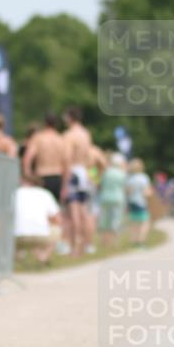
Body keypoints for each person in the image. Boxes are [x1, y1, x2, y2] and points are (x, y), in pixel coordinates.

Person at [61, 107, 94, 256]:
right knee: (84, 212)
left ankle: (75, 247)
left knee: (73, 212)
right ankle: (87, 245)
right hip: (84, 172)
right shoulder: (86, 134)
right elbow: (88, 157)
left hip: (73, 171)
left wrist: (65, 178)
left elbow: (67, 157)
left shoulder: (69, 135)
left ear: (69, 118)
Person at [14, 172, 62, 265]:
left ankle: (16, 258)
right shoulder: (46, 194)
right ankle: (43, 258)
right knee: (56, 229)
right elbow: (57, 219)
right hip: (41, 237)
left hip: (16, 237)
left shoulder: (15, 193)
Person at [22, 113, 66, 202]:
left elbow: (27, 159)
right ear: (56, 124)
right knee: (54, 211)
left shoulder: (38, 138)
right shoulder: (61, 140)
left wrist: (28, 177)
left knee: (39, 210)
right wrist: (65, 186)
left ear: (45, 123)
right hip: (57, 177)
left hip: (42, 177)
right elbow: (66, 164)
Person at [97, 152, 127, 249]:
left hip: (105, 197)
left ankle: (104, 242)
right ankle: (115, 242)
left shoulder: (106, 172)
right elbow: (124, 187)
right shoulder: (122, 173)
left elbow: (99, 183)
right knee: (116, 220)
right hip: (118, 198)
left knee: (104, 220)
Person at [125, 158, 152, 245]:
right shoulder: (143, 178)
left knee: (134, 222)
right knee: (145, 222)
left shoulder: (130, 178)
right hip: (141, 202)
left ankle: (134, 240)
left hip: (132, 202)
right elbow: (146, 192)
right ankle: (141, 241)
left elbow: (128, 192)